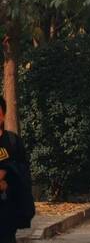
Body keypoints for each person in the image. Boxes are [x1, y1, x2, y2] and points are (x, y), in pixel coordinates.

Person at [0, 96, 35, 243]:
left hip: (7, 209)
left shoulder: (13, 141)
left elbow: (24, 172)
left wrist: (7, 177)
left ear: (3, 115)